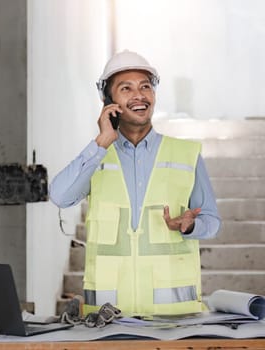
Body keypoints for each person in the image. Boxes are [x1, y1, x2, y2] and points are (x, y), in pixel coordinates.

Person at [49, 50, 221, 317]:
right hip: (108, 321)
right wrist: (102, 142)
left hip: (174, 321)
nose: (139, 95)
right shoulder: (97, 157)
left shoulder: (186, 155)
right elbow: (60, 196)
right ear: (109, 102)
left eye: (145, 87)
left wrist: (191, 225)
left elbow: (212, 220)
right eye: (126, 88)